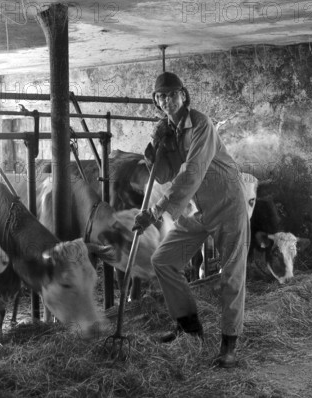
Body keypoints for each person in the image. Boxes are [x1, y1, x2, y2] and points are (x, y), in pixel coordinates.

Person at [133, 71, 250, 368]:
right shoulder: (169, 130)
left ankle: (229, 346)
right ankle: (189, 328)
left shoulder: (201, 124)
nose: (166, 101)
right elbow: (166, 175)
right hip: (199, 208)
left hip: (227, 203)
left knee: (231, 273)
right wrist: (155, 149)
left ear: (184, 95)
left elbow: (193, 173)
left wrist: (156, 211)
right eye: (160, 97)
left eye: (171, 94)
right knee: (164, 260)